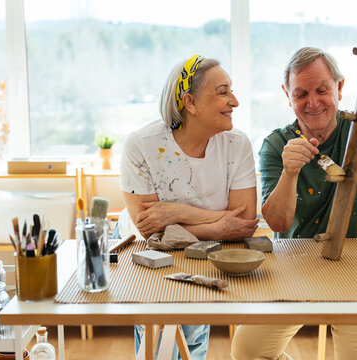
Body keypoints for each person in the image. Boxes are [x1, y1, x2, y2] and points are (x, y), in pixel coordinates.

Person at [231, 26, 357, 360]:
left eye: (322, 90)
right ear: (287, 94)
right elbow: (278, 219)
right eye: (301, 94)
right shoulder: (276, 144)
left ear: (340, 87)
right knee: (247, 351)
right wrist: (290, 172)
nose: (312, 102)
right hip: (297, 265)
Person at [119, 55, 259, 359]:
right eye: (223, 92)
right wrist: (218, 225)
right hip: (145, 252)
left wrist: (178, 213)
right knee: (157, 341)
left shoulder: (237, 144)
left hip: (203, 250)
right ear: (190, 102)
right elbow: (152, 233)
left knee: (193, 336)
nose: (234, 101)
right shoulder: (141, 144)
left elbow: (245, 223)